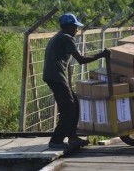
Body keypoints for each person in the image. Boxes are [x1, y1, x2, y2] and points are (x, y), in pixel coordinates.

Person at [43, 13, 110, 149]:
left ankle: (72, 137)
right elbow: (81, 60)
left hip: (55, 77)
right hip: (56, 77)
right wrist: (101, 55)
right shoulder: (66, 38)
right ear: (68, 27)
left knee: (74, 103)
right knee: (68, 108)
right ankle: (56, 140)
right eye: (75, 27)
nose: (76, 30)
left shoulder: (59, 36)